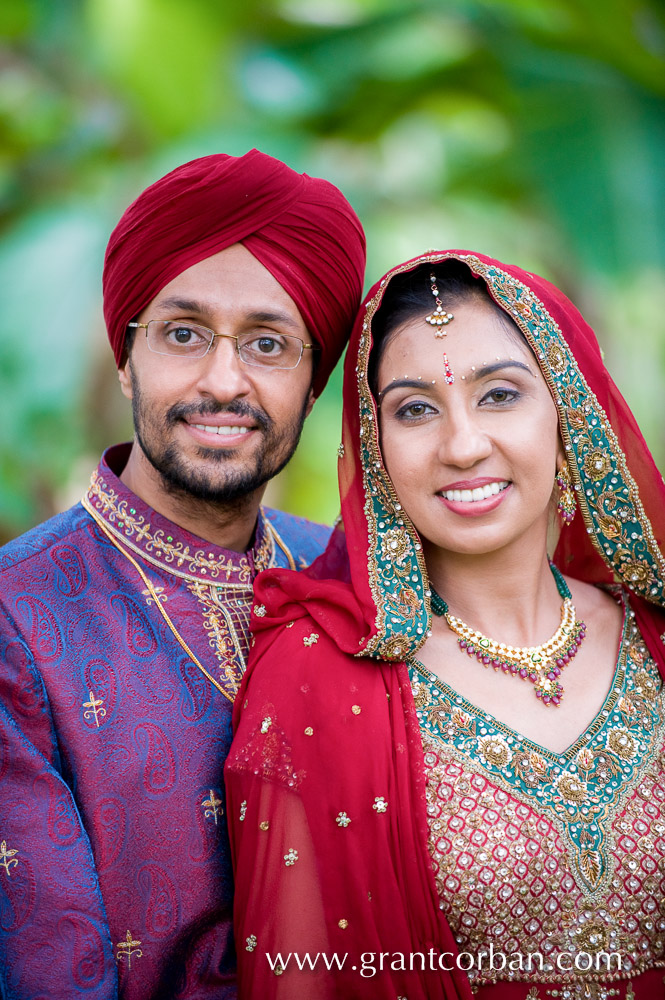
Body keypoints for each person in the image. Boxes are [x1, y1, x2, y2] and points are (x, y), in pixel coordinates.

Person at [226, 250, 665, 999]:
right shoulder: (316, 673)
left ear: (567, 415)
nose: (461, 446)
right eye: (415, 409)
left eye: (499, 395)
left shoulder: (653, 639)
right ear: (375, 448)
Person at [0, 150, 365, 999]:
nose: (223, 381)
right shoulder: (17, 615)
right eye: (184, 333)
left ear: (312, 383)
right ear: (125, 357)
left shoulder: (351, 577)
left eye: (269, 344)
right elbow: (53, 968)